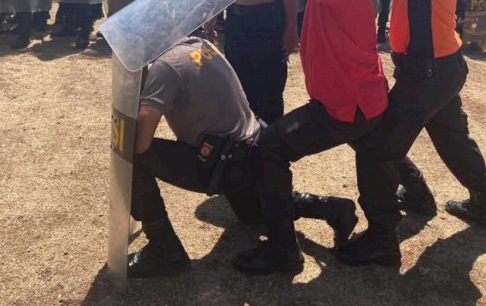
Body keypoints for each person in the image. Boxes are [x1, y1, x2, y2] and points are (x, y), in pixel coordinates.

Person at [337, 0, 486, 269]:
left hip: (428, 71)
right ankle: (482, 204)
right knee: (453, 140)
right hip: (440, 67)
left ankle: (381, 238)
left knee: (377, 148)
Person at [233, 0, 393, 274]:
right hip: (359, 99)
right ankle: (378, 220)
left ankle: (283, 251)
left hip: (346, 106)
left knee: (269, 148)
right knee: (379, 151)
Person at [127, 36, 358, 278]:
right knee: (253, 215)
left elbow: (141, 142)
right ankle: (331, 208)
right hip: (252, 152)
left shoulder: (166, 66)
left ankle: (165, 252)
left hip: (226, 164)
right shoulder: (199, 46)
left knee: (131, 154)